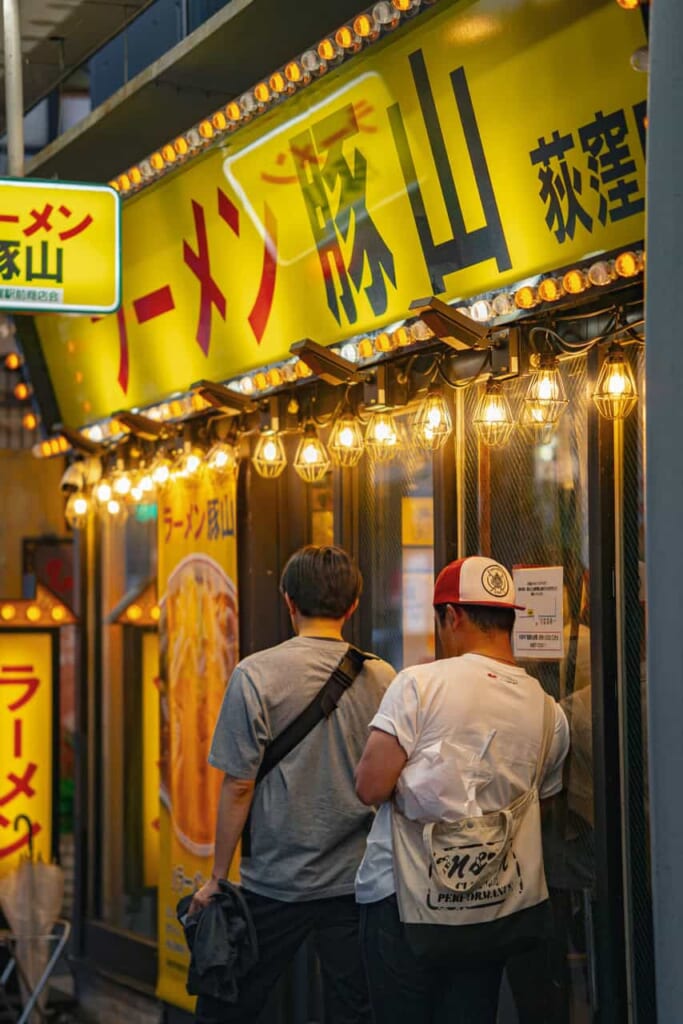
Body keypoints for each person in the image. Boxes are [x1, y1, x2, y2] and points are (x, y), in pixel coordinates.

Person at [354, 555, 570, 1024]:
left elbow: (370, 786)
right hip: (491, 906)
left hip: (404, 900)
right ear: (510, 619)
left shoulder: (418, 684)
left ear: (452, 617)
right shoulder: (550, 712)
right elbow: (543, 803)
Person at [189, 544, 395, 1023]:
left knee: (229, 1001)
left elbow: (238, 785)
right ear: (353, 605)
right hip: (355, 880)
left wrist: (219, 879)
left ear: (288, 601)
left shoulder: (254, 675)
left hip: (273, 881)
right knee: (355, 1009)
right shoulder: (381, 676)